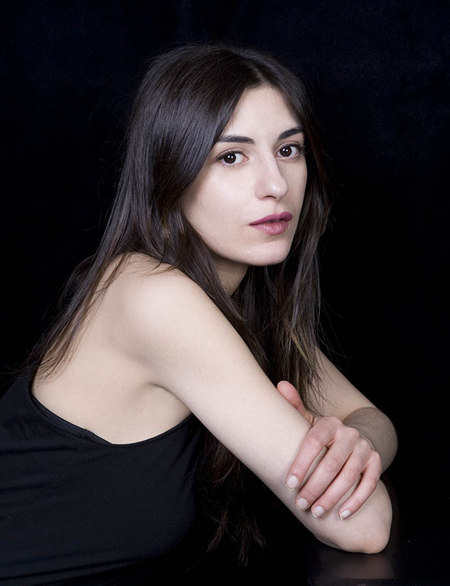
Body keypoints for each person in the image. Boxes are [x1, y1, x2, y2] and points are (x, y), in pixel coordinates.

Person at [0, 41, 397, 583]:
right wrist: (342, 465)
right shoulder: (153, 297)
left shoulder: (248, 301)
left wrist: (353, 448)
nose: (276, 186)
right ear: (170, 173)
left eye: (289, 149)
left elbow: (369, 417)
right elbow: (364, 526)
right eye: (231, 157)